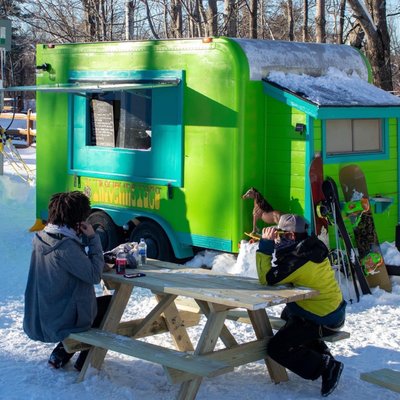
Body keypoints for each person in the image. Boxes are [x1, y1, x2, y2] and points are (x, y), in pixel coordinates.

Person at [256, 214, 346, 397]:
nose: (277, 238)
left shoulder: (299, 259)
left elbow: (267, 279)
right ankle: (321, 351)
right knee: (287, 315)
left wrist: (265, 246)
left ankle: (325, 366)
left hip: (322, 318)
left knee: (276, 348)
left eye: (280, 234)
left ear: (290, 236)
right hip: (330, 310)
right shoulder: (308, 248)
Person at [23, 191, 112, 371]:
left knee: (96, 305)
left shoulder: (42, 238)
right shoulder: (65, 247)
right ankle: (85, 362)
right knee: (110, 305)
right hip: (60, 319)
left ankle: (60, 354)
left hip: (42, 313)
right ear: (77, 220)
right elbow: (94, 275)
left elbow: (72, 265)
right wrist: (93, 239)